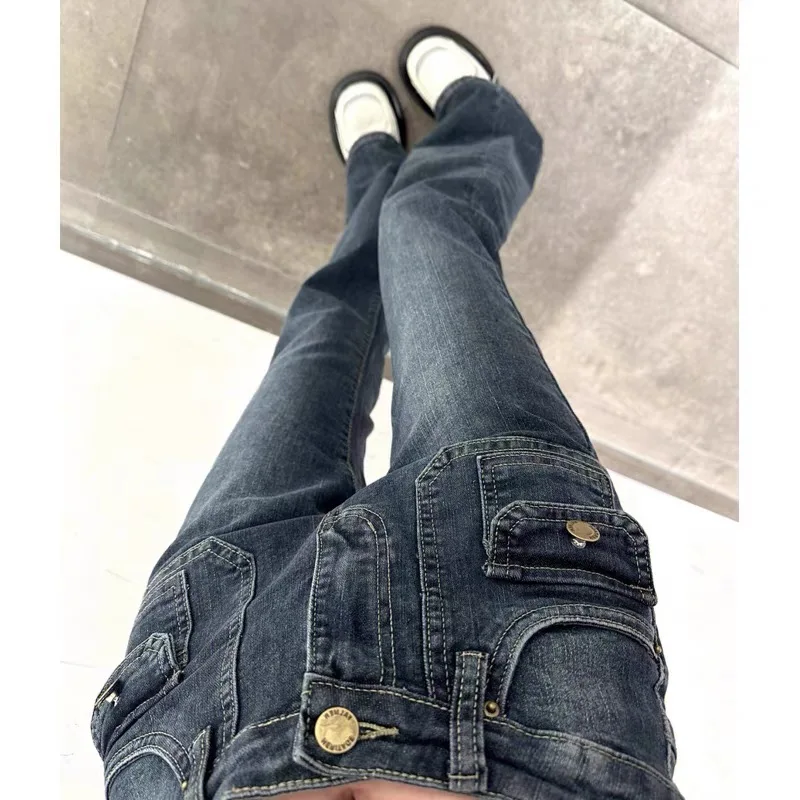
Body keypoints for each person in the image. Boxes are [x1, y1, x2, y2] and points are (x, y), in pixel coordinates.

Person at [90, 26, 682, 800]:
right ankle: (487, 122)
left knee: (320, 331)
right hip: (515, 669)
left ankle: (373, 169)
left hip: (201, 685)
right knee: (429, 227)